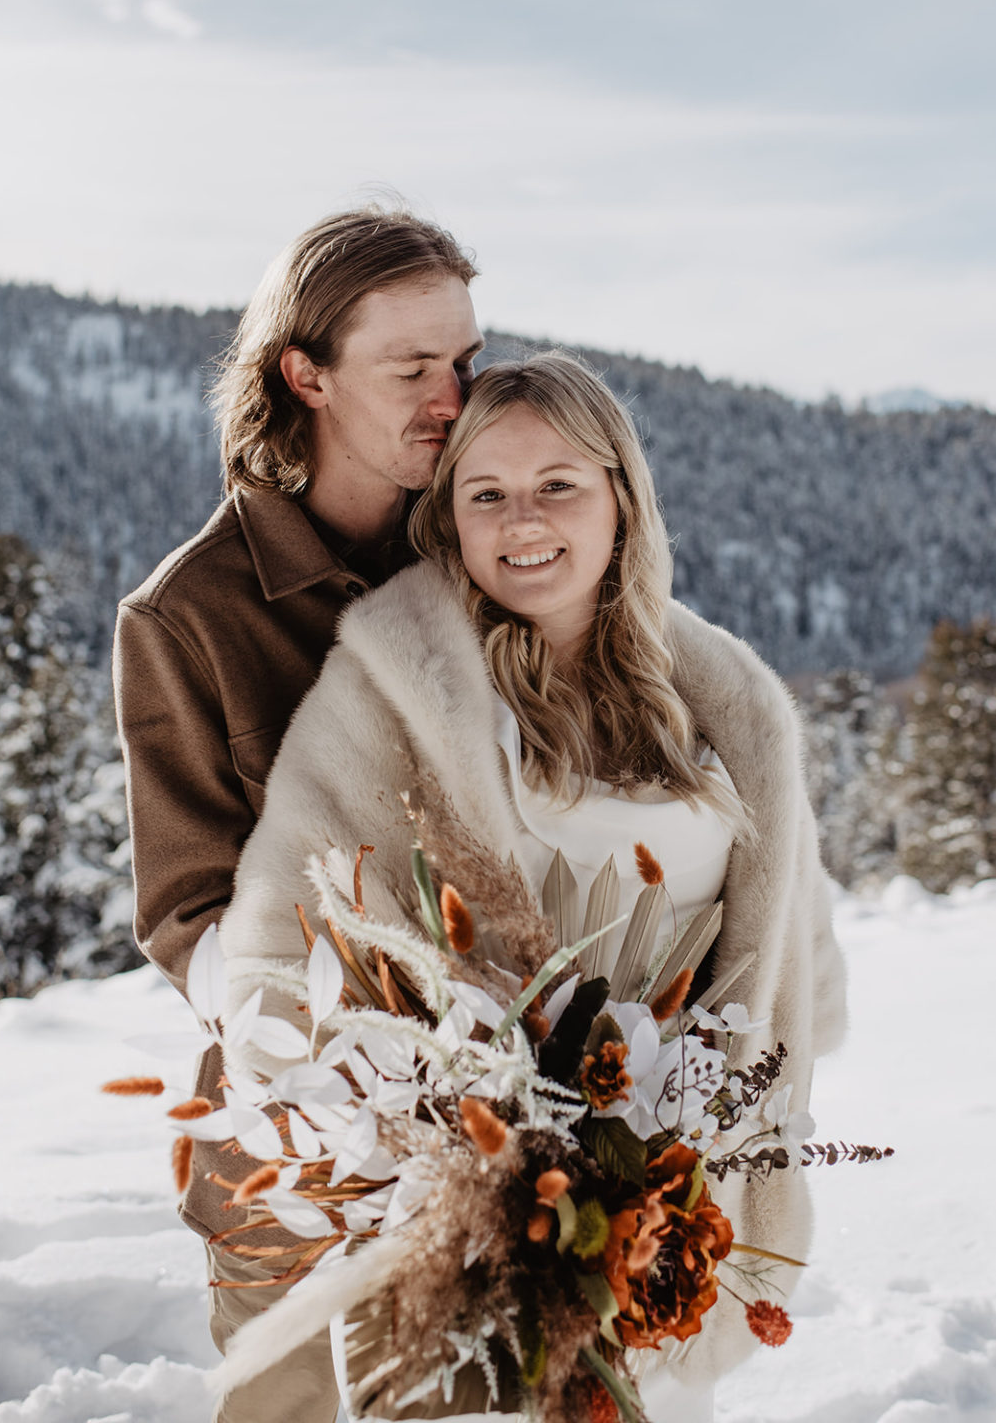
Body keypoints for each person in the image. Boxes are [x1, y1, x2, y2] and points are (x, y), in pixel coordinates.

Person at [219, 352, 848, 1422]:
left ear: (620, 496)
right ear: (449, 517)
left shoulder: (716, 704)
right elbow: (281, 946)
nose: (524, 521)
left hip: (657, 1207)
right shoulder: (394, 695)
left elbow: (793, 959)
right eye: (487, 494)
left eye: (558, 484)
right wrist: (449, 1123)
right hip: (463, 1217)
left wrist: (691, 1125)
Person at [113, 203, 483, 1423]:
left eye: (465, 361)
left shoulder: (490, 556)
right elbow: (189, 916)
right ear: (305, 374)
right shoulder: (191, 615)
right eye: (413, 367)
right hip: (304, 1162)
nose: (452, 394)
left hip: (521, 1141)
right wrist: (363, 1055)